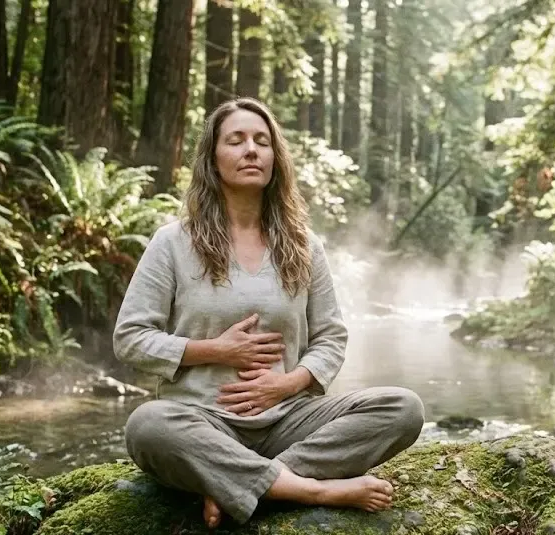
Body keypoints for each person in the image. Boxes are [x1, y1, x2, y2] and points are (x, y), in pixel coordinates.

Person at [113, 97, 425, 529]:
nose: (251, 150)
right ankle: (310, 489)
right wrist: (215, 350)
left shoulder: (303, 244)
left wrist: (287, 383)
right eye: (236, 140)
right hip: (203, 419)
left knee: (403, 408)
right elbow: (130, 338)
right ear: (212, 158)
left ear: (275, 158)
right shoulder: (173, 243)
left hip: (288, 421)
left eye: (262, 141)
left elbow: (331, 337)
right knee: (147, 426)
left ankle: (232, 482)